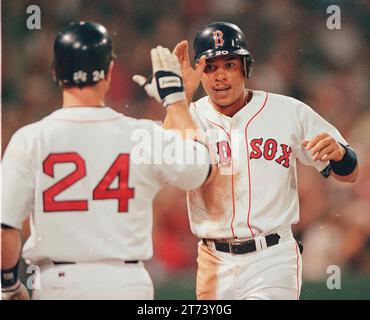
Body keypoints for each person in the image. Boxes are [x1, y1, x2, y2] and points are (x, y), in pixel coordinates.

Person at [1, 21, 212, 300]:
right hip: (124, 283)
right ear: (109, 72)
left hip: (57, 284)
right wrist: (177, 100)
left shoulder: (30, 139)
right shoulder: (140, 133)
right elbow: (199, 169)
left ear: (55, 72)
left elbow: (5, 230)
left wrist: (9, 285)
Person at [166, 21, 360, 300]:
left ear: (246, 67)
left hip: (272, 258)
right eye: (210, 67)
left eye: (229, 64)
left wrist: (341, 155)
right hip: (212, 261)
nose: (220, 75)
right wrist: (178, 99)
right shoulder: (188, 116)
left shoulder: (288, 112)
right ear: (198, 72)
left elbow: (349, 173)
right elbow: (167, 167)